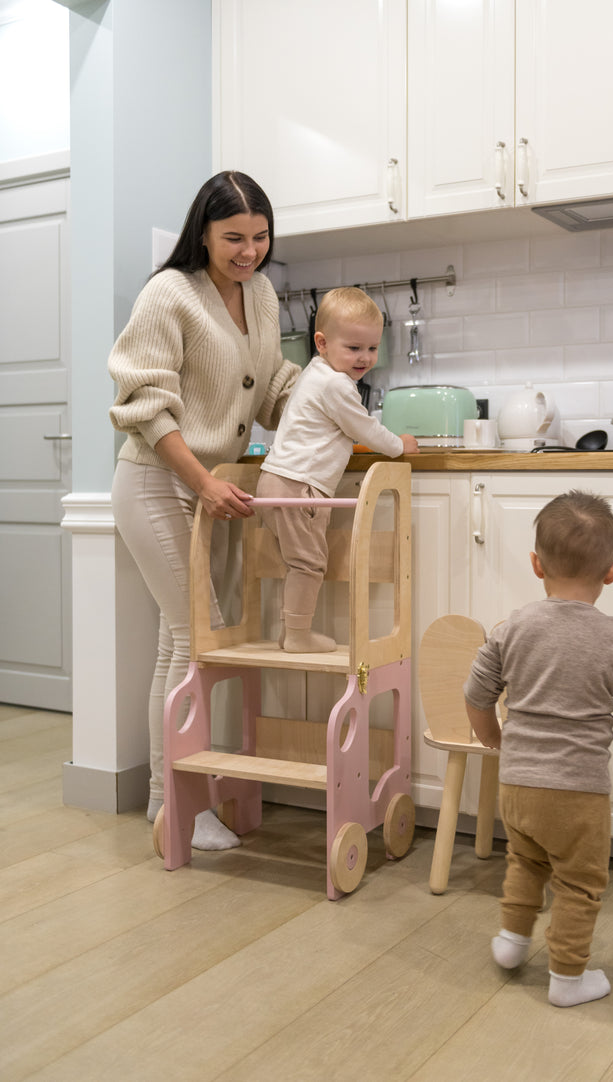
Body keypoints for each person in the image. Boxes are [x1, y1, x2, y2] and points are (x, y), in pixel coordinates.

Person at [109, 171, 301, 850]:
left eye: (260, 236)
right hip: (161, 483)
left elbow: (271, 384)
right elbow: (143, 402)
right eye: (233, 238)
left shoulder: (262, 293)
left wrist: (332, 404)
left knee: (178, 641)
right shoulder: (169, 294)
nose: (249, 250)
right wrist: (203, 481)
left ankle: (171, 807)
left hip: (211, 491)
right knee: (199, 639)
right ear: (204, 232)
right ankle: (180, 810)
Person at [463, 490, 613, 1008]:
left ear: (536, 564)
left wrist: (492, 737)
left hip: (517, 785)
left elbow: (476, 693)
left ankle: (512, 942)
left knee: (525, 861)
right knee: (579, 885)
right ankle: (568, 979)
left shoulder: (514, 627)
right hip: (577, 794)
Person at [256, 287, 418, 652]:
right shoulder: (337, 385)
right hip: (299, 486)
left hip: (276, 480)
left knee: (297, 562)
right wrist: (398, 445)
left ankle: (290, 632)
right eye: (354, 348)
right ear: (322, 343)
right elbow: (364, 427)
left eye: (372, 348)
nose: (365, 358)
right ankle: (297, 635)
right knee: (309, 565)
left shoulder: (314, 374)